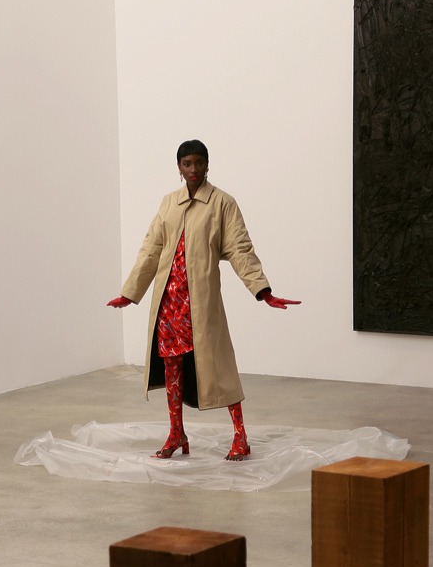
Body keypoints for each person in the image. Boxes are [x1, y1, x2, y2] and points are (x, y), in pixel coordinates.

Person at [108, 139, 300, 460]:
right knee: (172, 370)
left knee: (219, 366)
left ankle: (240, 436)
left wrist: (262, 290)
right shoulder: (169, 203)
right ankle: (176, 433)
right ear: (179, 168)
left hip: (200, 305)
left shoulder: (223, 204)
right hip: (168, 305)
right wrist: (130, 293)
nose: (193, 169)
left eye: (199, 163)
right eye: (187, 164)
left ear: (208, 165)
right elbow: (151, 249)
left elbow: (240, 248)